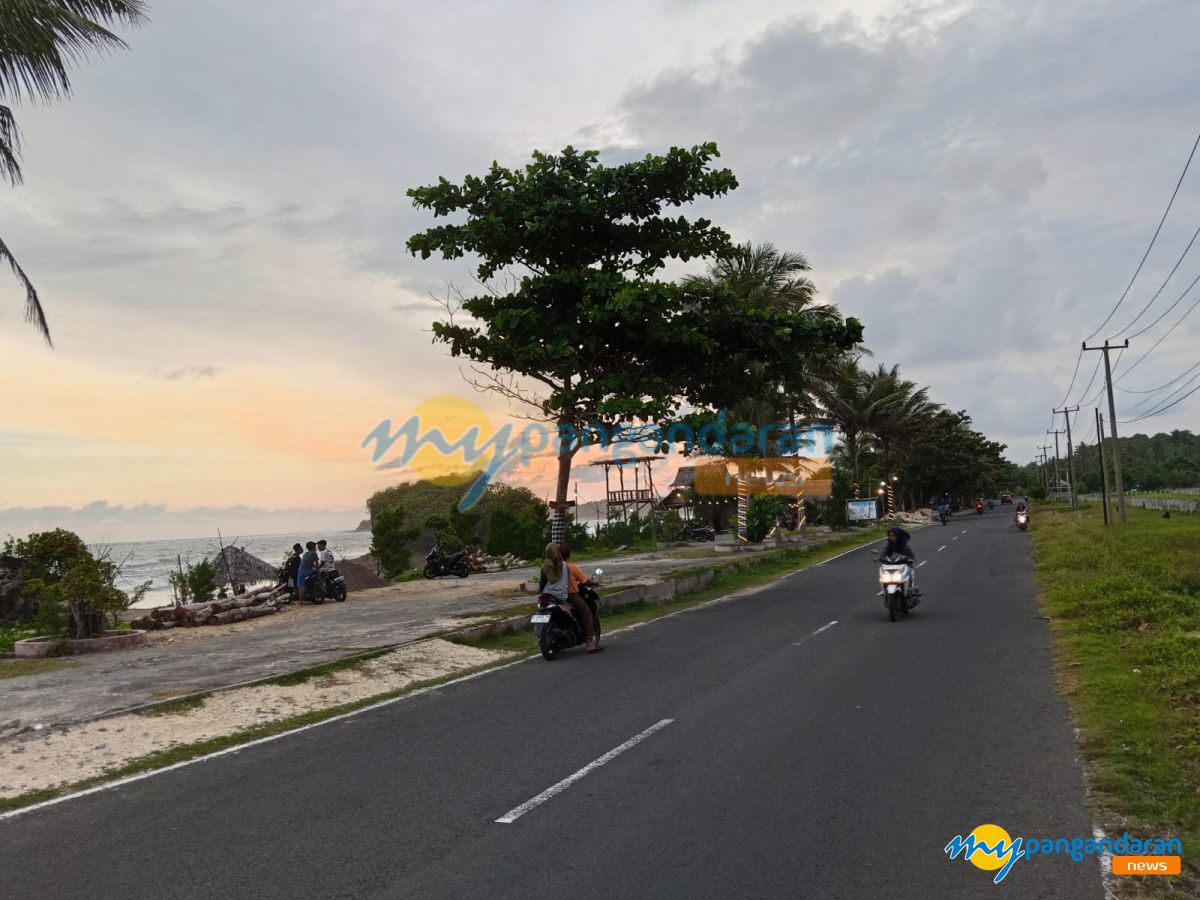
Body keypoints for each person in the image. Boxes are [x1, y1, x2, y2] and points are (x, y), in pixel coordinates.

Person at [539, 542, 600, 654]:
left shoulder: (544, 567)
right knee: (586, 613)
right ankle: (590, 644)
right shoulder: (566, 566)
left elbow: (541, 585)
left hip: (547, 596)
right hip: (566, 596)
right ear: (568, 554)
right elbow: (580, 581)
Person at [876, 526, 919, 594]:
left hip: (904, 564)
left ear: (899, 536)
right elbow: (883, 551)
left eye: (894, 536)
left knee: (910, 571)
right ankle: (884, 590)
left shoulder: (905, 546)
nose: (892, 538)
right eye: (890, 536)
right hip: (891, 564)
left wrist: (908, 558)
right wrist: (879, 557)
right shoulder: (889, 545)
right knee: (883, 573)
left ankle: (911, 588)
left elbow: (912, 556)